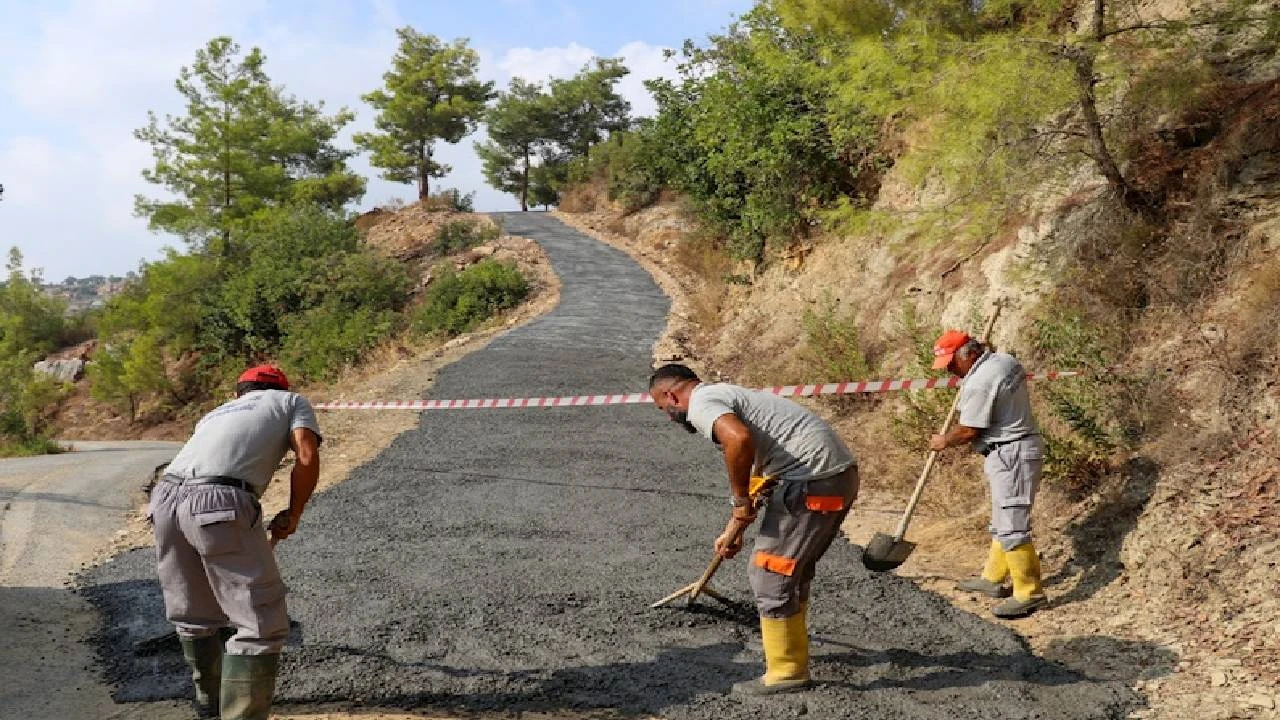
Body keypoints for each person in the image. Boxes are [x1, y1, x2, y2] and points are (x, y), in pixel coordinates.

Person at [649, 363, 858, 695]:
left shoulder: (702, 404)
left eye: (665, 409)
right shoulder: (730, 395)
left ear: (671, 395)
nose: (669, 417)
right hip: (834, 478)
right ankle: (791, 654)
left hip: (812, 483)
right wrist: (735, 526)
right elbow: (761, 475)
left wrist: (737, 498)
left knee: (770, 573)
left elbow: (739, 440)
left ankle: (787, 672)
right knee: (793, 570)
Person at [149, 365, 322, 719]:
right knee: (259, 623)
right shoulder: (291, 401)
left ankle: (210, 708)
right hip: (219, 501)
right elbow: (306, 455)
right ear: (282, 387)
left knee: (193, 613)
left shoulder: (215, 413)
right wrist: (295, 512)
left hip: (164, 499)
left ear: (238, 393)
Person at [928, 330, 1047, 618]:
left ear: (968, 355)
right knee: (1002, 518)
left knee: (1011, 524)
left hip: (1011, 453)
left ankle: (1029, 593)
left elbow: (970, 430)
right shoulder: (1005, 361)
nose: (952, 372)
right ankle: (993, 578)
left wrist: (944, 440)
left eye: (952, 364)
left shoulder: (980, 382)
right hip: (1012, 450)